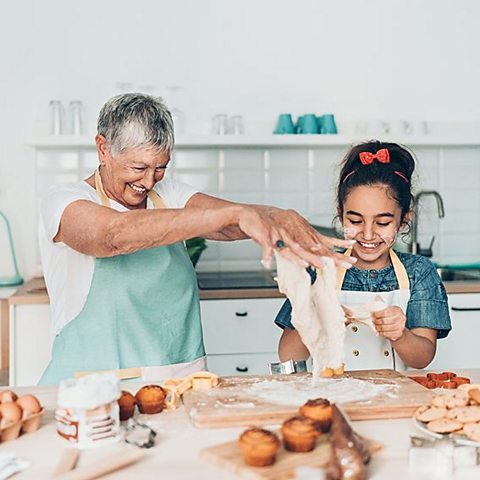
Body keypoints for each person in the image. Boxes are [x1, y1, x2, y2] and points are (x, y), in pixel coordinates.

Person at [38, 93, 356, 384]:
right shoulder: (65, 200)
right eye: (138, 167)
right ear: (103, 149)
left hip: (178, 382)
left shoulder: (168, 193)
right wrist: (233, 214)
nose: (149, 181)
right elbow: (111, 236)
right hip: (91, 390)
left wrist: (279, 217)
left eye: (160, 168)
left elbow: (225, 223)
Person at [275, 141, 451, 370]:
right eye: (355, 221)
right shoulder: (318, 268)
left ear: (404, 219)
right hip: (329, 398)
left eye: (383, 222)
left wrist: (400, 334)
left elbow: (422, 358)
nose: (368, 234)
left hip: (393, 402)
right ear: (341, 215)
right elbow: (287, 355)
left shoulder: (419, 272)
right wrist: (320, 318)